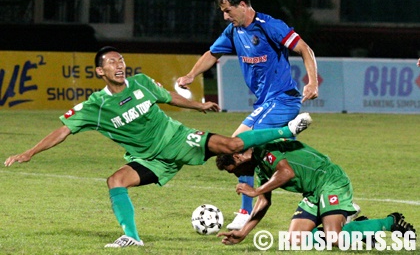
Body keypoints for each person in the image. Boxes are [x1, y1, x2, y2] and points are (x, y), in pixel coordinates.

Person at [4, 46, 313, 248]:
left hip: (177, 140)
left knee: (232, 144)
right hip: (150, 159)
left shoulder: (142, 83)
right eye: (112, 62)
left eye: (121, 60)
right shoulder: (94, 107)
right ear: (100, 71)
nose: (119, 65)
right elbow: (62, 130)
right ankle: (131, 237)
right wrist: (29, 152)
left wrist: (198, 106)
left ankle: (287, 129)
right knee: (115, 181)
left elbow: (168, 98)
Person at [177, 0, 319, 230]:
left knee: (238, 146)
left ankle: (245, 211)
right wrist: (191, 75)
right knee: (278, 155)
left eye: (228, 10)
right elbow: (213, 53)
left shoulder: (270, 26)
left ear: (243, 5)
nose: (225, 16)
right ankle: (326, 190)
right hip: (265, 103)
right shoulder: (233, 31)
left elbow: (305, 49)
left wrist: (313, 82)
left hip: (283, 99)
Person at [215, 140, 416, 246]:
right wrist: (243, 233)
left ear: (237, 157)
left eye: (236, 172)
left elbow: (286, 172)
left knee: (334, 239)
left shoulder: (264, 150)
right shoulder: (260, 167)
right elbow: (263, 202)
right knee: (295, 239)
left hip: (329, 181)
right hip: (313, 192)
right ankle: (355, 227)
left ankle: (390, 221)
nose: (239, 176)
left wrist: (256, 190)